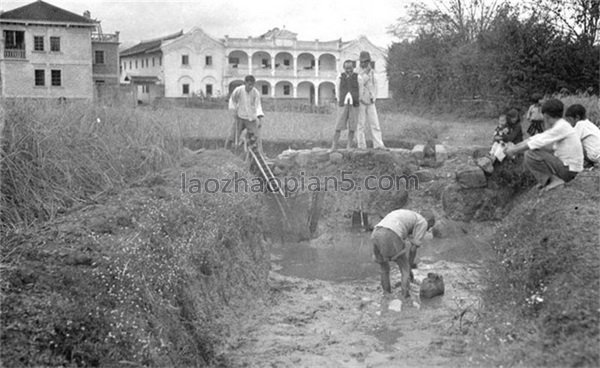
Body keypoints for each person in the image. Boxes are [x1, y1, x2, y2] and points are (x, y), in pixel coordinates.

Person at [504, 98, 583, 191]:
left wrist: (513, 150)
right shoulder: (561, 125)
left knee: (531, 153)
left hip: (569, 170)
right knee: (539, 148)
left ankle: (554, 180)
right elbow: (535, 138)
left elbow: (534, 143)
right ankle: (548, 180)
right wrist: (514, 147)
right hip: (569, 168)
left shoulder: (560, 127)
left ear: (546, 116)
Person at [371, 209, 435, 297]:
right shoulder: (423, 221)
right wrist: (409, 266)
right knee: (404, 268)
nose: (427, 230)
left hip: (376, 233)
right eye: (429, 227)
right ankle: (405, 297)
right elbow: (413, 249)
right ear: (429, 221)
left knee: (384, 267)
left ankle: (386, 294)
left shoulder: (409, 216)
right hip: (391, 233)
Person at [225, 75, 264, 150]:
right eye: (249, 84)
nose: (251, 87)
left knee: (255, 137)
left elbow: (258, 105)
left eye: (252, 85)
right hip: (240, 117)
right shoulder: (238, 90)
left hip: (251, 119)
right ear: (245, 83)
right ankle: (225, 152)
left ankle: (252, 152)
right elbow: (232, 100)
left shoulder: (255, 93)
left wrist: (259, 118)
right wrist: (233, 111)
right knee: (232, 136)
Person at [356, 51, 385, 149]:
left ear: (369, 61)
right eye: (362, 61)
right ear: (360, 62)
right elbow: (360, 83)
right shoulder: (358, 72)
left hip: (371, 101)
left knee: (375, 124)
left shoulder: (373, 72)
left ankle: (378, 145)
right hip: (361, 101)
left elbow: (375, 86)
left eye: (366, 61)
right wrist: (366, 74)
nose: (364, 63)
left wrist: (374, 97)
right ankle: (361, 146)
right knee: (361, 125)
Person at [331, 60, 359, 150]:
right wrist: (340, 100)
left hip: (354, 103)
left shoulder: (358, 77)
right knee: (338, 124)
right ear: (344, 68)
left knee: (352, 125)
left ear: (353, 68)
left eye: (350, 68)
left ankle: (349, 146)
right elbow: (337, 90)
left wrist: (357, 99)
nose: (349, 70)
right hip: (343, 103)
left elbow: (361, 89)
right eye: (347, 68)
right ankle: (334, 145)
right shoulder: (340, 77)